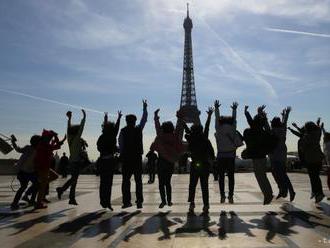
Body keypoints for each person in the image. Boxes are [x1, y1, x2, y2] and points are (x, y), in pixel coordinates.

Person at [150, 109, 185, 208]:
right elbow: (179, 128)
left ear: (163, 128)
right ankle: (169, 201)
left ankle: (163, 201)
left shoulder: (160, 136)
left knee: (161, 183)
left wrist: (156, 116)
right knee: (168, 183)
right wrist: (180, 117)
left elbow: (157, 127)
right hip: (170, 162)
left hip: (161, 161)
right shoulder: (175, 136)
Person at [185, 107, 215, 214]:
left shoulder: (191, 138)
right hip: (205, 164)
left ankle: (192, 203)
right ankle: (206, 205)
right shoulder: (204, 137)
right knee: (204, 186)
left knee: (192, 185)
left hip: (195, 164)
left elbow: (187, 130)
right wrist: (209, 116)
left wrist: (182, 120)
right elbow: (207, 127)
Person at [119, 100, 148, 209]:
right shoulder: (138, 129)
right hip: (136, 157)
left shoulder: (123, 131)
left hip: (126, 158)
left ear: (126, 121)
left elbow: (120, 144)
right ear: (135, 121)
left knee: (126, 180)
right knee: (138, 180)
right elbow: (144, 120)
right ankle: (139, 201)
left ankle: (126, 201)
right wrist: (145, 108)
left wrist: (122, 154)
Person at [243, 105, 273, 205]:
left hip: (256, 157)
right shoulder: (264, 132)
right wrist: (260, 114)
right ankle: (268, 194)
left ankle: (268, 195)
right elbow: (258, 123)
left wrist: (246, 112)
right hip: (263, 156)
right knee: (263, 176)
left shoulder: (252, 131)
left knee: (260, 177)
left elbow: (251, 121)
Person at [214, 101, 243, 204]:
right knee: (231, 177)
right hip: (231, 155)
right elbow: (235, 120)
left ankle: (222, 195)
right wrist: (234, 109)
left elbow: (216, 119)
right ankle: (230, 196)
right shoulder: (232, 128)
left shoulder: (218, 128)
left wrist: (216, 108)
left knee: (221, 177)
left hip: (221, 155)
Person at [56, 109, 86, 205]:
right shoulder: (77, 138)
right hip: (76, 162)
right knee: (74, 179)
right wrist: (84, 117)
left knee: (74, 180)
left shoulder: (70, 138)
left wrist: (69, 119)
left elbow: (68, 128)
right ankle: (61, 189)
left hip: (72, 161)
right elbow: (81, 128)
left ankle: (71, 198)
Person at [269, 107, 295, 202]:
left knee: (278, 174)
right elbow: (285, 121)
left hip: (275, 154)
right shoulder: (282, 129)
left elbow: (267, 126)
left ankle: (287, 191)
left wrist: (262, 116)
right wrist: (285, 114)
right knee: (280, 173)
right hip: (282, 153)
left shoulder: (272, 131)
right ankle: (284, 190)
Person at [97, 111, 122, 211]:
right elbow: (117, 127)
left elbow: (99, 148)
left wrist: (106, 118)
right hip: (110, 162)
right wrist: (119, 118)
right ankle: (107, 202)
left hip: (103, 161)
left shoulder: (102, 137)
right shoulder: (113, 136)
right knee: (109, 183)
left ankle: (103, 201)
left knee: (103, 182)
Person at [34, 130, 65, 209]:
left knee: (54, 176)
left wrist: (55, 137)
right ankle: (38, 203)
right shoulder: (44, 146)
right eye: (49, 137)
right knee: (43, 187)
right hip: (43, 167)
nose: (50, 139)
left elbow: (56, 145)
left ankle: (41, 185)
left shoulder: (44, 144)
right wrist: (55, 136)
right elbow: (57, 145)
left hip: (45, 167)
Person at [10, 135, 41, 210]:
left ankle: (17, 202)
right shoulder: (28, 148)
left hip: (29, 171)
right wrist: (13, 142)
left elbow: (18, 149)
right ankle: (18, 202)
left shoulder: (38, 150)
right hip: (23, 171)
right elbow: (18, 149)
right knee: (30, 185)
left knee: (33, 185)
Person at [301, 120, 324, 203]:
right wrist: (318, 124)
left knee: (313, 177)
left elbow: (303, 149)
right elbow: (319, 130)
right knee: (316, 176)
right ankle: (316, 192)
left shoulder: (306, 137)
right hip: (318, 158)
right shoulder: (318, 134)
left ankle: (318, 193)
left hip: (310, 159)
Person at [321, 123, 330, 193]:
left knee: (329, 180)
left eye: (324, 137)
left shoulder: (328, 143)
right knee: (329, 179)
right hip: (328, 163)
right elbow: (325, 134)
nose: (323, 138)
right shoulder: (325, 143)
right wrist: (322, 128)